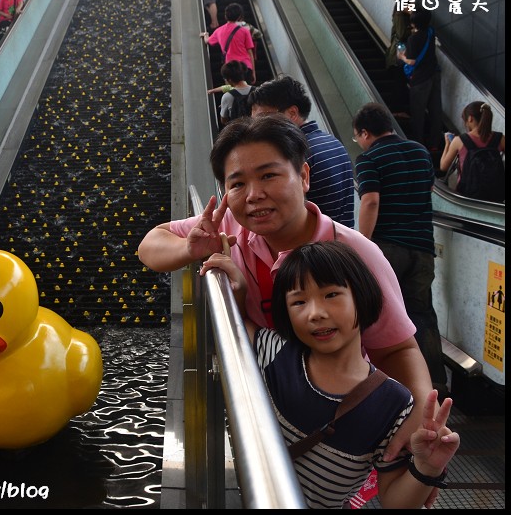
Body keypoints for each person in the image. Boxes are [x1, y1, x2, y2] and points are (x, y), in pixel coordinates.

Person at [138, 114, 435, 464]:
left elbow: (397, 349)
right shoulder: (230, 226)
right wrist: (190, 249)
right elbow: (150, 246)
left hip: (334, 424)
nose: (254, 195)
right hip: (262, 412)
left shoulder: (354, 254)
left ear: (304, 176)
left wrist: (420, 426)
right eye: (237, 184)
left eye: (269, 175)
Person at [200, 240, 459, 509]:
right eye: (299, 301)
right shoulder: (274, 350)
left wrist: (426, 468)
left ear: (361, 296)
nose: (316, 313)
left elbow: (394, 501)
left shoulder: (393, 403)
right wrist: (237, 290)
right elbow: (232, 323)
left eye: (331, 295)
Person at [352, 102, 448, 394]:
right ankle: (435, 385)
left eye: (358, 137)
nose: (359, 142)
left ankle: (394, 383)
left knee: (382, 314)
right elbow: (428, 189)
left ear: (365, 133)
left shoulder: (369, 158)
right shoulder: (420, 151)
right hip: (422, 247)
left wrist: (362, 246)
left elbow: (370, 201)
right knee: (422, 313)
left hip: (387, 248)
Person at [249, 75, 355, 228]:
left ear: (292, 113)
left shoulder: (297, 153)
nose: (258, 127)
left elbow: (291, 220)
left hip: (316, 248)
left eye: (264, 118)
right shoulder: (334, 142)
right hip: (342, 243)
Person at [397, 9, 443, 165]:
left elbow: (411, 61)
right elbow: (423, 19)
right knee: (436, 109)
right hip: (435, 74)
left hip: (421, 79)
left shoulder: (413, 39)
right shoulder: (430, 31)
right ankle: (435, 144)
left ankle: (419, 145)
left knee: (418, 112)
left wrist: (401, 56)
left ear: (413, 23)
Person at [440, 101, 506, 192]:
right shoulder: (500, 139)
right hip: (494, 196)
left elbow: (443, 167)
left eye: (465, 120)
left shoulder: (459, 140)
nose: (465, 123)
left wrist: (447, 144)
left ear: (470, 118)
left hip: (467, 196)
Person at [201, 3, 256, 81]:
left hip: (230, 68)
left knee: (233, 91)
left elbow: (208, 41)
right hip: (245, 67)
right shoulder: (245, 31)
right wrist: (253, 72)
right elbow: (250, 52)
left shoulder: (219, 31)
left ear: (225, 16)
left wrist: (205, 35)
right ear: (240, 16)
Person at [385, 0, 415, 118]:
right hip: (398, 55)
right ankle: (397, 110)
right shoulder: (400, 15)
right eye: (411, 1)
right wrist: (414, 30)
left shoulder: (402, 15)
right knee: (399, 83)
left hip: (401, 53)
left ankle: (397, 109)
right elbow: (402, 34)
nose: (413, 3)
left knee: (400, 82)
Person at [216, 60, 253, 126]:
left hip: (239, 132)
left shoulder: (227, 96)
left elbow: (224, 120)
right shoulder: (258, 91)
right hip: (258, 130)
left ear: (229, 80)